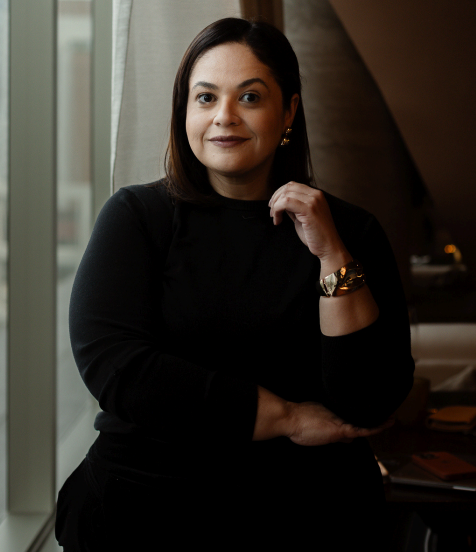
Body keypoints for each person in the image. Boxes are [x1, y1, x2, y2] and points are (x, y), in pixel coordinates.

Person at [55, 17, 414, 551]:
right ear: (185, 111)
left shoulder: (350, 231)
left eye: (249, 96)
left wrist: (331, 255)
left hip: (310, 512)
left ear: (288, 111)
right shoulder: (137, 217)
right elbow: (117, 368)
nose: (224, 116)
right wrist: (287, 417)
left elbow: (368, 400)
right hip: (146, 505)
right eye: (205, 98)